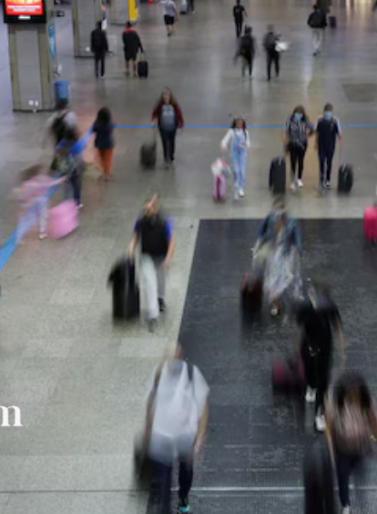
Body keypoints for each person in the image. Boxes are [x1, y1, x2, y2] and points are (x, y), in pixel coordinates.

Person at [144, 346, 209, 514]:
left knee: (186, 472)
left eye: (177, 356)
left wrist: (200, 436)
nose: (174, 361)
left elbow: (203, 407)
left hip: (185, 436)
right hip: (162, 438)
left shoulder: (191, 374)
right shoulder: (158, 375)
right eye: (170, 357)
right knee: (163, 480)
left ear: (182, 357)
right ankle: (165, 508)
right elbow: (151, 403)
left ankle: (183, 498)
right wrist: (148, 430)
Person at [324, 372, 377, 514]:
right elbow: (328, 425)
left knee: (359, 473)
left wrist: (374, 441)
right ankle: (346, 505)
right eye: (351, 392)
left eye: (357, 392)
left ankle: (358, 496)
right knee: (342, 477)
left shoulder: (367, 403)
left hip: (360, 447)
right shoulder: (335, 403)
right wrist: (331, 447)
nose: (354, 395)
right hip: (342, 448)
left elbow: (373, 423)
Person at [297, 282, 345, 432]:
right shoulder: (305, 307)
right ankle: (311, 386)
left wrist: (342, 350)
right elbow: (299, 327)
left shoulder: (329, 307)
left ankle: (320, 414)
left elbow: (337, 326)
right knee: (310, 370)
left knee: (323, 381)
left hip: (324, 346)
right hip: (309, 345)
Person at [128, 194, 175, 330]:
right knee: (150, 282)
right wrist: (131, 248)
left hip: (161, 254)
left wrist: (168, 259)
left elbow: (171, 242)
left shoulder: (166, 220)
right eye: (145, 209)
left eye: (149, 210)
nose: (146, 212)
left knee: (161, 280)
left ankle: (160, 298)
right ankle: (152, 315)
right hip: (147, 255)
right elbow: (135, 236)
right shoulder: (141, 220)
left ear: (155, 209)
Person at [254, 201, 303, 316]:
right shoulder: (270, 220)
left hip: (285, 254)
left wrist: (298, 248)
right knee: (273, 279)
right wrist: (258, 244)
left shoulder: (291, 222)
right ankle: (275, 304)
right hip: (272, 254)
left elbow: (297, 236)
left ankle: (279, 297)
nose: (276, 216)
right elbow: (261, 231)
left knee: (282, 278)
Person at [12, 164, 65, 243]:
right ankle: (42, 233)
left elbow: (22, 194)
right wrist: (61, 180)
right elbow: (49, 184)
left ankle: (19, 238)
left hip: (31, 203)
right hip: (41, 201)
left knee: (28, 220)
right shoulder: (40, 178)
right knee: (43, 216)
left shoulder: (27, 182)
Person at [152, 88, 185, 167]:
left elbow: (179, 114)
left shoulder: (174, 105)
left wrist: (181, 123)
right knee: (165, 143)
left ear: (170, 96)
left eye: (167, 95)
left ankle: (171, 158)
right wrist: (154, 120)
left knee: (172, 143)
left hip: (173, 128)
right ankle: (166, 159)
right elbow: (154, 113)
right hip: (163, 128)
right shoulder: (160, 105)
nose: (166, 96)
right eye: (164, 95)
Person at [284, 106, 313, 190]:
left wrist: (308, 134)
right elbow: (285, 130)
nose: (298, 115)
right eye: (297, 113)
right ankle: (292, 180)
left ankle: (299, 179)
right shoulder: (289, 119)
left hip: (303, 143)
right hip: (292, 143)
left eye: (300, 114)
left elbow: (312, 128)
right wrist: (286, 141)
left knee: (301, 161)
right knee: (293, 161)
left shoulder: (305, 120)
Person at [220, 117, 250, 199]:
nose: (240, 125)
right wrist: (224, 145)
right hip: (234, 153)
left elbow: (248, 143)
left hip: (243, 153)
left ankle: (241, 188)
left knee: (242, 171)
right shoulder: (231, 132)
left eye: (241, 123)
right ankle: (236, 182)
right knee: (236, 170)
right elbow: (224, 140)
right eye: (238, 123)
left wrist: (245, 145)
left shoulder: (245, 132)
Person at [315, 103, 343, 189]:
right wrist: (316, 143)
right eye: (327, 111)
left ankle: (328, 180)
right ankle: (321, 179)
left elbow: (339, 134)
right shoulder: (319, 120)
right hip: (321, 145)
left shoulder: (335, 121)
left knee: (329, 163)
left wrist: (340, 143)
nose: (328, 113)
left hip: (331, 145)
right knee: (322, 163)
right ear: (324, 112)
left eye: (330, 111)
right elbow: (316, 131)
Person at [92, 107, 115, 180]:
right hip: (109, 145)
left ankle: (103, 172)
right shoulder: (109, 124)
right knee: (108, 160)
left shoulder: (97, 124)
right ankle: (106, 174)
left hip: (100, 144)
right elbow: (113, 126)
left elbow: (93, 129)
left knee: (102, 159)